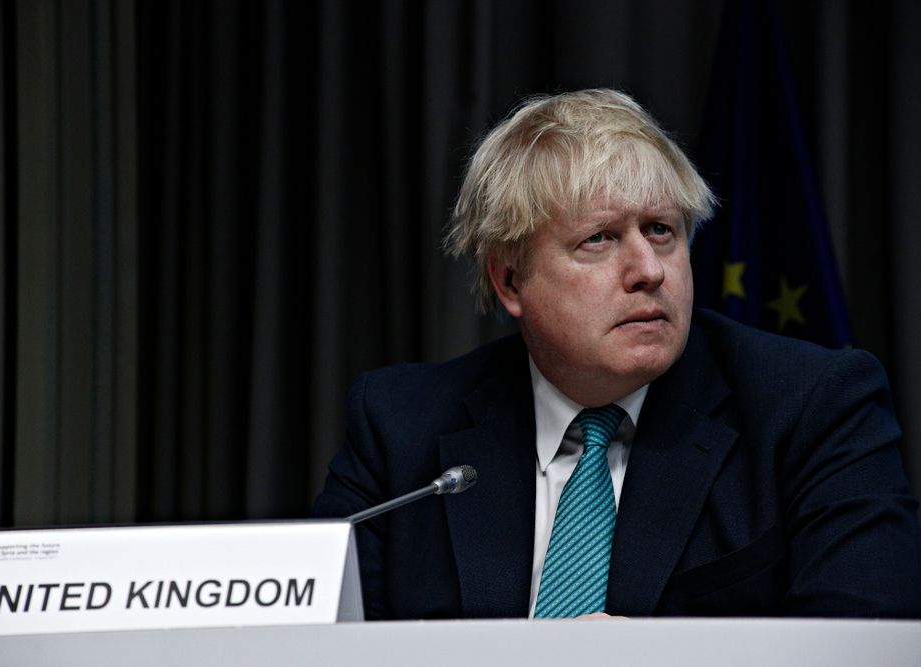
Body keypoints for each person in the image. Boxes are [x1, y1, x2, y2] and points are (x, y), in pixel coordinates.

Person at [312, 89, 921, 620]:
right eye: (598, 239)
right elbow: (313, 643)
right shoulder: (400, 428)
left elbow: (860, 640)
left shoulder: (814, 407)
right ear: (510, 281)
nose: (649, 271)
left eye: (661, 230)